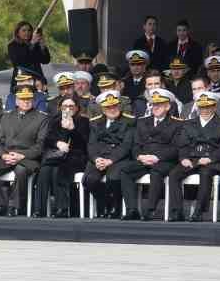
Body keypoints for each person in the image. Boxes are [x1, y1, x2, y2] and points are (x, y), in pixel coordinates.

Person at [0, 86, 48, 216]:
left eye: (29, 99)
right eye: (23, 99)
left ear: (33, 100)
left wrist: (21, 155)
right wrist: (3, 155)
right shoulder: (6, 117)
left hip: (28, 159)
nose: (26, 102)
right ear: (16, 101)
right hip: (7, 156)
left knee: (20, 170)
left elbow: (40, 146)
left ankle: (15, 206)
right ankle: (1, 204)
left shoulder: (41, 118)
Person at [169, 91, 220, 221]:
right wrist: (184, 158)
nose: (204, 110)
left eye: (208, 106)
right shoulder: (189, 123)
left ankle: (199, 211)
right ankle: (177, 211)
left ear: (214, 107)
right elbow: (183, 144)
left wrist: (211, 158)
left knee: (205, 173)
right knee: (174, 174)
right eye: (202, 107)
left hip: (211, 160)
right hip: (192, 158)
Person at [123, 90, 184, 220]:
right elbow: (136, 145)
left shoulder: (177, 123)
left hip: (165, 161)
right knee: (125, 171)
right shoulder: (142, 122)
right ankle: (132, 209)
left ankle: (150, 210)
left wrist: (157, 157)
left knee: (156, 172)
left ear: (168, 106)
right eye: (153, 104)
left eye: (159, 104)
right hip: (144, 159)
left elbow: (176, 148)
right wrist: (140, 156)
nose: (155, 107)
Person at [82, 91, 135, 219]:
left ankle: (115, 207)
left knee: (113, 178)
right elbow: (91, 144)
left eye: (115, 106)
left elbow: (126, 146)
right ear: (103, 109)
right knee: (90, 180)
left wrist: (110, 160)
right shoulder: (96, 122)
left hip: (118, 159)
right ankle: (105, 203)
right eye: (108, 107)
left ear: (119, 106)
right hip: (99, 159)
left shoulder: (129, 121)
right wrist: (96, 159)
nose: (112, 109)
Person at [33, 97, 88, 218]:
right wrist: (57, 143)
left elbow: (84, 143)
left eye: (71, 106)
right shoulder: (55, 121)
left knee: (59, 170)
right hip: (56, 155)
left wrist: (72, 129)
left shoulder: (83, 121)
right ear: (60, 108)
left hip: (76, 156)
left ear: (77, 108)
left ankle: (62, 208)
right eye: (65, 106)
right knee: (44, 170)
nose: (68, 109)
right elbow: (47, 139)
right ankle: (39, 209)